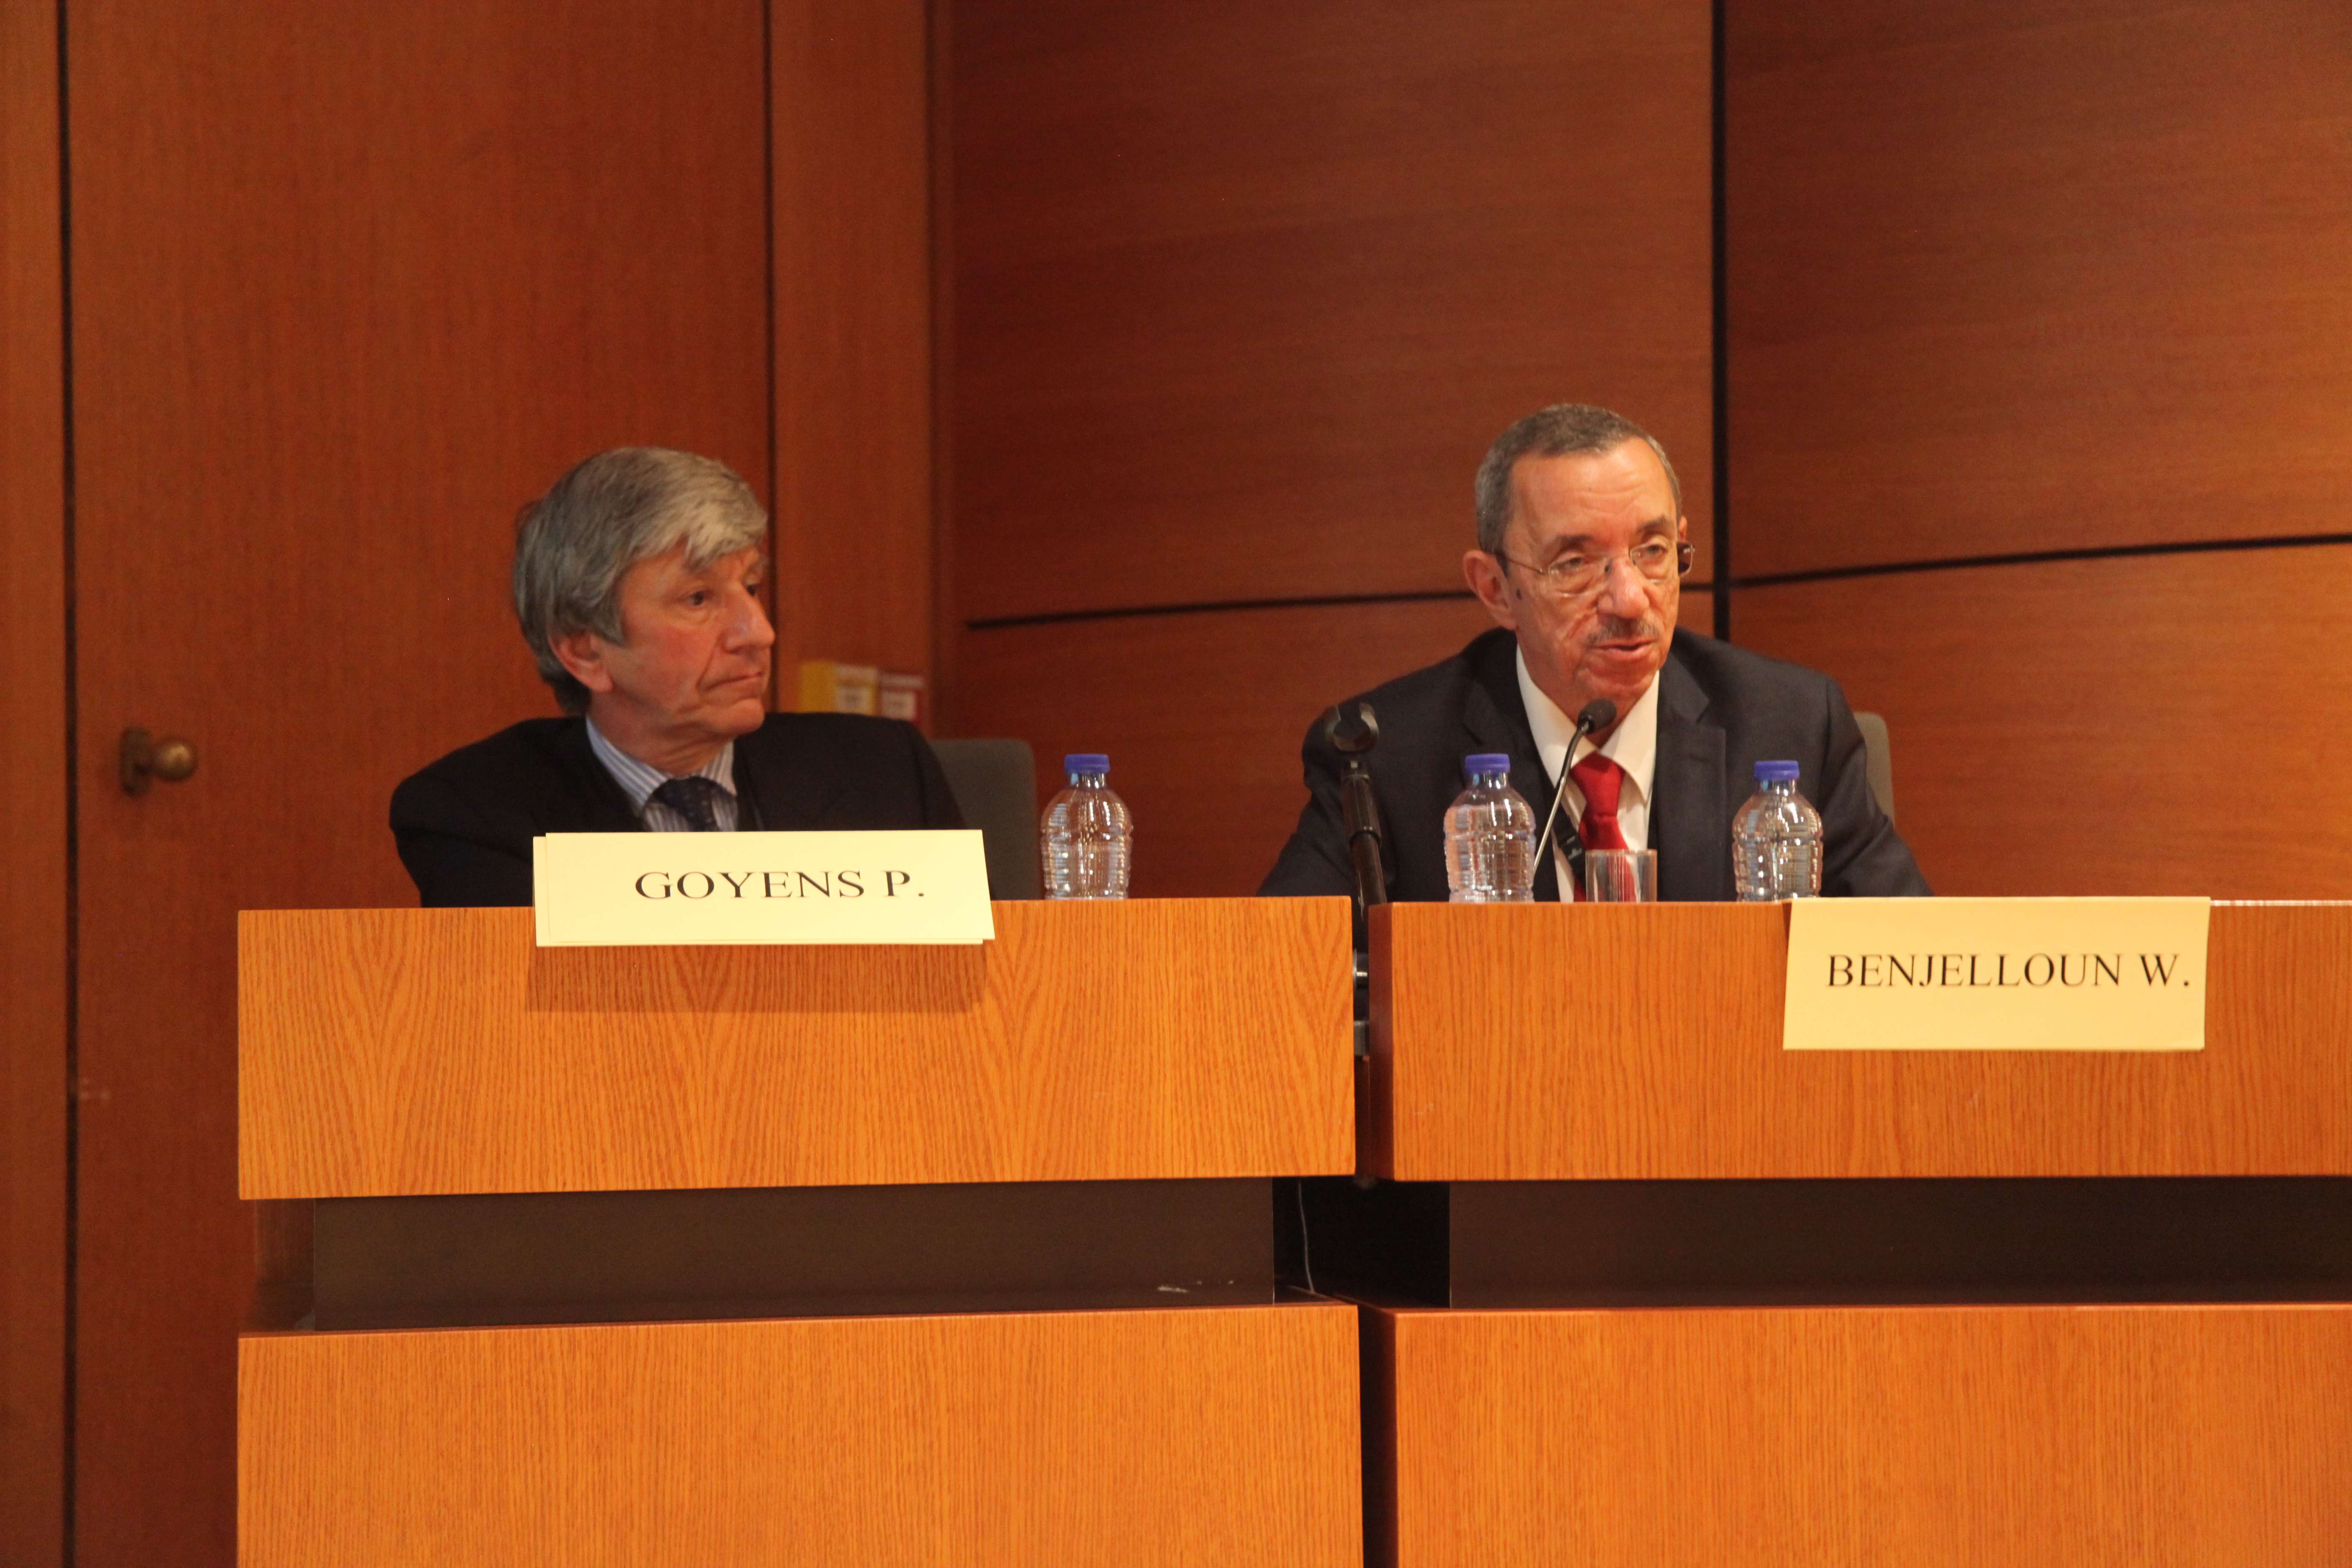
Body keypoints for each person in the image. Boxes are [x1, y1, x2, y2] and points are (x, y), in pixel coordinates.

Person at [1260, 404, 1928, 903]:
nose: (1630, 599)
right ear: (1496, 589)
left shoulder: (1792, 724)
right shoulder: (1385, 759)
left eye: (1653, 552)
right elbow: (1285, 978)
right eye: (1575, 563)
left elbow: (1909, 976)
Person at [392, 447, 962, 906]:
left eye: (752, 588)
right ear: (586, 652)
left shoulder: (884, 772)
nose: (759, 632)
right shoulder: (477, 815)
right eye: (698, 598)